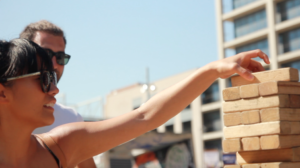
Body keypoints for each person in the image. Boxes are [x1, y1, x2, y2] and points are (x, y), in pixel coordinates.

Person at [0, 38, 270, 168]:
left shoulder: (62, 147)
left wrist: (212, 70)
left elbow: (145, 117)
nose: (55, 89)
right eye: (44, 78)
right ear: (3, 91)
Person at [19, 20, 96, 168]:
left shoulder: (71, 119)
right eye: (46, 54)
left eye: (60, 57)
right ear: (22, 54)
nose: (54, 64)